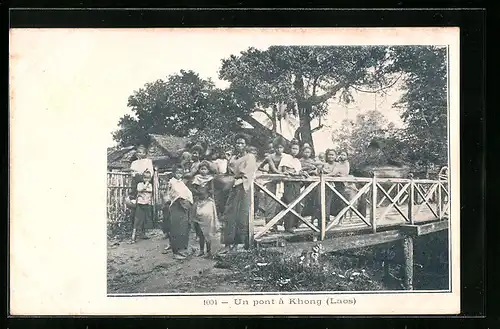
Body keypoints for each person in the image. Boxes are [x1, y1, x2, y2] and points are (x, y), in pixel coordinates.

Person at [219, 134, 257, 253]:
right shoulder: (233, 157)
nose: (239, 145)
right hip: (232, 187)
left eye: (242, 143)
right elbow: (229, 172)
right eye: (237, 143)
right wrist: (228, 160)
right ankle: (227, 244)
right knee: (229, 215)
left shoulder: (250, 157)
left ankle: (238, 245)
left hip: (243, 187)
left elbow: (248, 173)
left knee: (241, 216)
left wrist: (236, 180)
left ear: (246, 144)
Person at [162, 165, 193, 260]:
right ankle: (176, 251)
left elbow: (188, 194)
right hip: (176, 206)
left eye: (181, 172)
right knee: (176, 229)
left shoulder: (182, 183)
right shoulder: (172, 182)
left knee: (183, 228)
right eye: (177, 172)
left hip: (184, 207)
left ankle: (183, 249)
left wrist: (188, 202)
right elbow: (174, 194)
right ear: (174, 172)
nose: (179, 174)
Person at [257, 137, 287, 232]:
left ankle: (277, 224)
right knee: (270, 203)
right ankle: (269, 225)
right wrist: (267, 171)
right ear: (274, 148)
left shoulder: (285, 157)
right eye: (277, 148)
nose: (279, 150)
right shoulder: (270, 157)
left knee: (280, 204)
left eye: (281, 147)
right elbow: (261, 167)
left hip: (282, 182)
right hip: (271, 182)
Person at [191, 161, 219, 257]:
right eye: (201, 169)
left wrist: (207, 191)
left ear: (208, 170)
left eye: (205, 169)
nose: (203, 171)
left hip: (207, 203)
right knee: (199, 230)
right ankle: (201, 250)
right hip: (199, 202)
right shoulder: (196, 178)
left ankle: (209, 251)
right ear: (199, 170)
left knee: (208, 229)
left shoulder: (210, 179)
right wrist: (199, 192)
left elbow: (212, 190)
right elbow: (193, 189)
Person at [279, 139, 303, 233]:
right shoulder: (286, 158)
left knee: (296, 203)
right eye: (293, 148)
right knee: (289, 203)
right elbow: (284, 170)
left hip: (296, 183)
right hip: (289, 183)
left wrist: (300, 173)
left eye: (297, 149)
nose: (295, 151)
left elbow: (298, 171)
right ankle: (288, 226)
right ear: (290, 149)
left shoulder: (297, 160)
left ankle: (295, 224)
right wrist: (291, 172)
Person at [130, 169, 154, 243]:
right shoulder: (140, 184)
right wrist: (145, 186)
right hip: (140, 204)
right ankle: (133, 236)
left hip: (146, 203)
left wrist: (143, 190)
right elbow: (139, 189)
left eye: (148, 178)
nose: (147, 180)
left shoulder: (150, 185)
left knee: (144, 219)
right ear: (143, 178)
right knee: (137, 219)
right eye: (145, 178)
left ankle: (142, 234)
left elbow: (150, 191)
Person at [300, 143, 319, 217]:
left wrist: (313, 171)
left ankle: (310, 214)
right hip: (301, 181)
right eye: (305, 152)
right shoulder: (300, 160)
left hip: (310, 182)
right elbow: (299, 169)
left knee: (310, 197)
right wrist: (306, 169)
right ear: (302, 152)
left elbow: (315, 170)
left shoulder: (312, 161)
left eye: (308, 152)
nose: (307, 154)